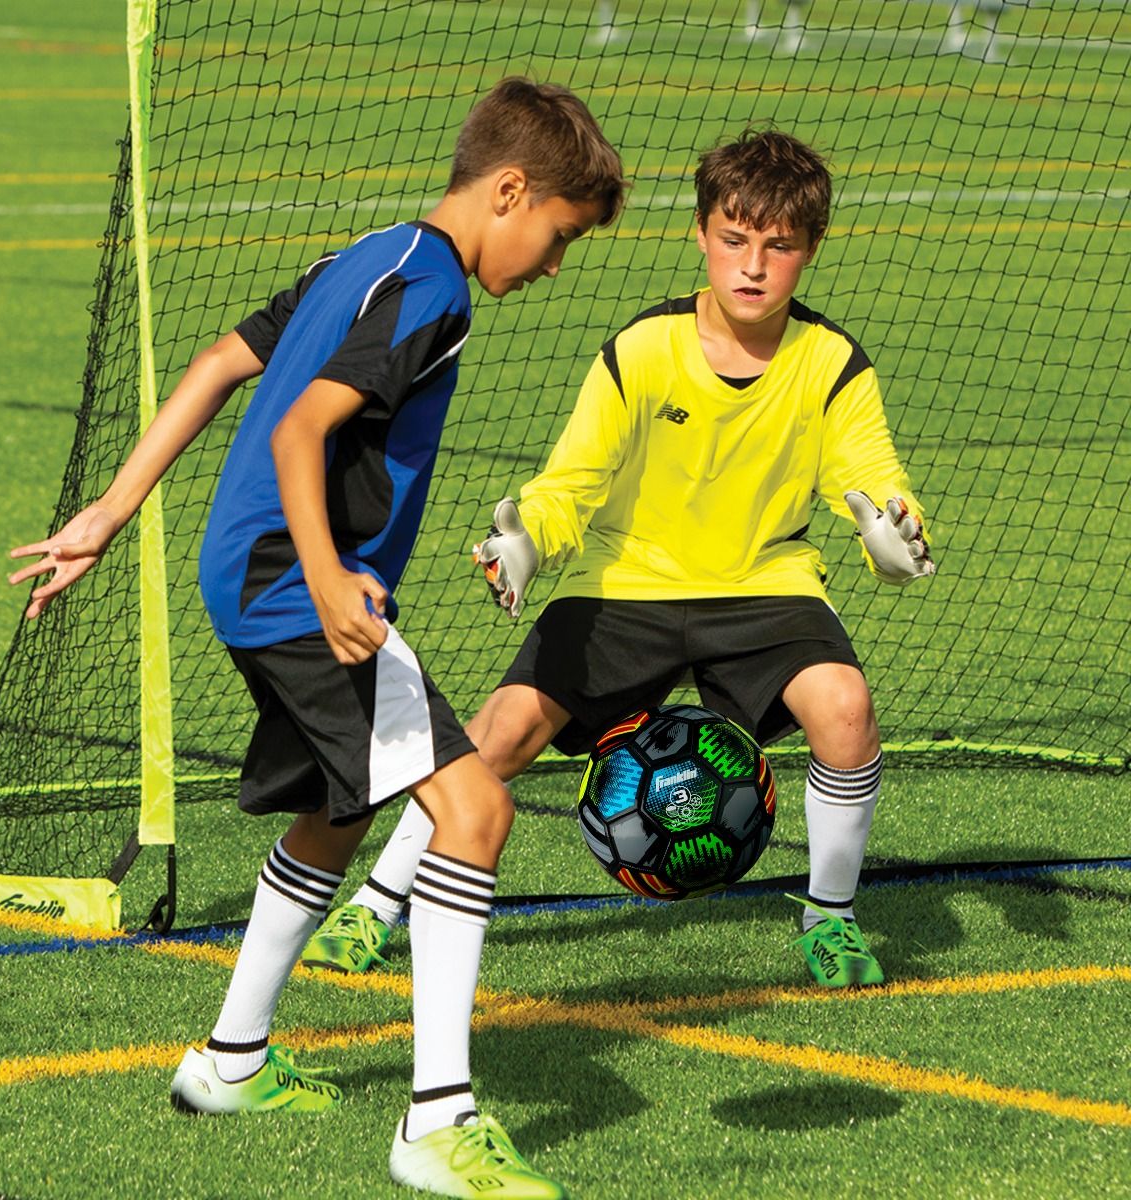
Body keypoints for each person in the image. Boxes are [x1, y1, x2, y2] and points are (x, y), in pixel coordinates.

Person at [8, 77, 626, 1200]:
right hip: (296, 588)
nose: (553, 264)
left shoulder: (375, 250)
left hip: (249, 575)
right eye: (559, 236)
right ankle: (437, 1125)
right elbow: (299, 428)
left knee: (340, 809)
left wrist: (110, 512)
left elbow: (218, 360)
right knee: (476, 807)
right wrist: (333, 573)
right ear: (509, 189)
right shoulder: (432, 289)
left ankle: (229, 1061)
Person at [306, 127, 935, 992]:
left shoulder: (832, 366)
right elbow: (573, 482)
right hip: (625, 581)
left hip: (762, 582)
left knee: (847, 707)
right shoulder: (643, 348)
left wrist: (893, 541)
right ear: (702, 235)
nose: (752, 266)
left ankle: (829, 916)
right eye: (734, 239)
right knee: (502, 730)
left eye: (779, 247)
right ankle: (376, 906)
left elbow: (875, 483)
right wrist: (528, 538)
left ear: (810, 249)